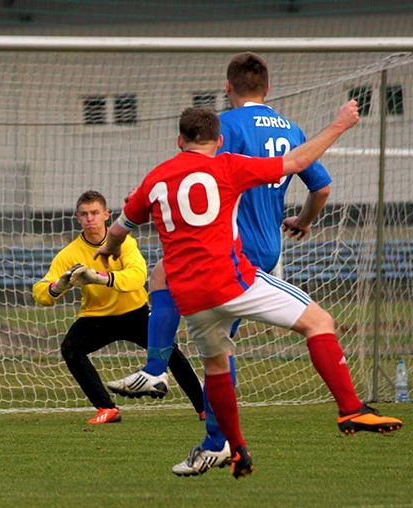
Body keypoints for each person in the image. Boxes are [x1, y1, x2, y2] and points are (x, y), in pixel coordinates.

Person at [96, 103, 402, 478]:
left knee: (216, 365)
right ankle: (351, 409)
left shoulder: (156, 179)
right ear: (220, 140)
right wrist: (339, 124)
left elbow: (117, 232)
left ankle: (234, 447)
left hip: (192, 300)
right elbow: (294, 162)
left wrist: (107, 253)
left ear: (179, 140)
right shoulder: (228, 166)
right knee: (319, 322)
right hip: (234, 282)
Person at [108, 52, 340, 476]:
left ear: (228, 88)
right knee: (212, 337)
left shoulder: (225, 128)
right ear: (267, 89)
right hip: (269, 243)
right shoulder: (290, 128)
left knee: (182, 299)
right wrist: (302, 222)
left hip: (228, 247)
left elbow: (201, 178)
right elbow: (320, 188)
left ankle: (172, 389)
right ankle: (205, 426)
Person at [32, 190, 204, 424]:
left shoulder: (125, 243)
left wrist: (99, 277)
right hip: (97, 317)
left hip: (135, 312)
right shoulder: (69, 253)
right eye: (84, 214)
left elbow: (137, 276)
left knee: (169, 351)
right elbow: (41, 293)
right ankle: (107, 408)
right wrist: (58, 285)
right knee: (71, 348)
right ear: (77, 218)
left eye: (94, 213)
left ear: (106, 214)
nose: (90, 218)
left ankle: (204, 408)